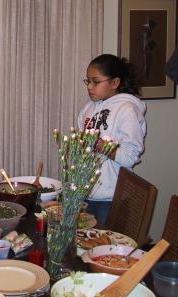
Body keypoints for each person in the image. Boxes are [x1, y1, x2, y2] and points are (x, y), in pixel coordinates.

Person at [77, 54, 146, 226]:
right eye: (88, 81)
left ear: (115, 83)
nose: (90, 87)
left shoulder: (127, 109)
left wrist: (100, 145)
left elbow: (130, 157)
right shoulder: (89, 108)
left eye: (96, 81)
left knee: (100, 246)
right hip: (86, 193)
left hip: (110, 198)